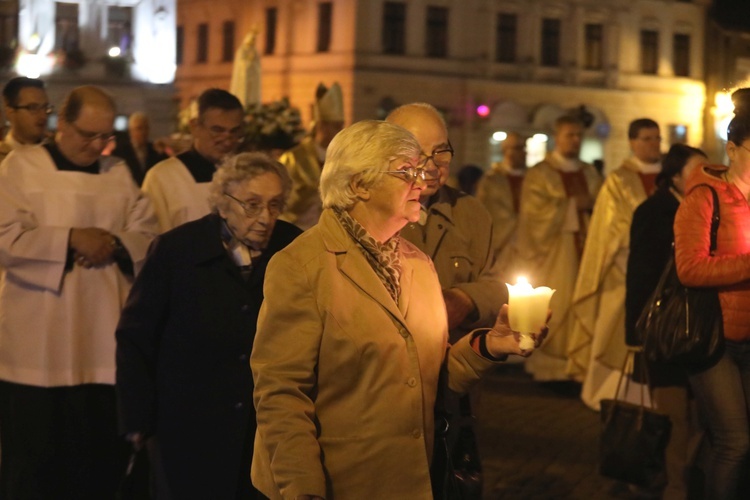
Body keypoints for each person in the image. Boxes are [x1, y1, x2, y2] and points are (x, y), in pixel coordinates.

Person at [250, 120, 547, 499]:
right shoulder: (302, 265)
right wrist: (303, 488)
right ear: (359, 185)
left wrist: (489, 346)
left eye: (419, 170)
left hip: (411, 479)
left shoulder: (417, 263)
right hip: (339, 480)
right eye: (405, 171)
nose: (421, 182)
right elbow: (281, 393)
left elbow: (430, 378)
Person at [0, 85, 157, 498]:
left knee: (96, 466)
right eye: (88, 135)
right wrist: (71, 238)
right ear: (62, 124)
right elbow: (5, 237)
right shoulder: (21, 166)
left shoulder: (118, 173)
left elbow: (149, 235)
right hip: (38, 346)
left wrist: (117, 244)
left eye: (105, 136)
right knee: (35, 468)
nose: (97, 146)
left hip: (102, 344)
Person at [116, 152, 301, 499]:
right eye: (252, 204)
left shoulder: (293, 247)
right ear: (223, 202)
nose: (266, 218)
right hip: (188, 426)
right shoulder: (176, 250)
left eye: (275, 205)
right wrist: (138, 418)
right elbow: (136, 335)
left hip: (262, 430)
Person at [674, 87, 750, 500]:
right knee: (734, 442)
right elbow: (690, 268)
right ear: (732, 149)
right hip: (713, 338)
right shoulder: (704, 197)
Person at [626, 143, 707, 499]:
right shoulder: (653, 211)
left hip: (700, 329)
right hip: (665, 330)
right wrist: (636, 334)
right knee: (673, 416)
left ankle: (686, 481)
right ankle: (674, 488)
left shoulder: (704, 209)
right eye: (698, 171)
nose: (707, 177)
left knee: (698, 416)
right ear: (675, 177)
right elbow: (640, 275)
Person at [567, 118, 663, 409]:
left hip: (662, 271)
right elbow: (610, 230)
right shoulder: (618, 180)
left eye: (657, 138)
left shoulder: (667, 178)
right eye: (646, 139)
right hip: (622, 271)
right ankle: (607, 393)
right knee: (614, 331)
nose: (653, 144)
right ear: (632, 142)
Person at [514, 115, 602, 381]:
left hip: (588, 249)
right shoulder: (541, 173)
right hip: (556, 253)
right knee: (559, 305)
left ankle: (581, 366)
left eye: (578, 135)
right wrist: (574, 204)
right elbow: (534, 214)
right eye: (569, 135)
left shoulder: (589, 172)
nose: (575, 140)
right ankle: (552, 371)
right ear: (557, 137)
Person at [143, 88, 244, 232]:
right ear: (195, 127)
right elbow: (151, 237)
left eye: (234, 131)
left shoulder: (246, 174)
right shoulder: (162, 177)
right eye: (217, 130)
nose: (227, 141)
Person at [278, 82, 344, 230]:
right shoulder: (293, 158)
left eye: (341, 125)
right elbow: (282, 198)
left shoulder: (344, 158)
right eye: (336, 125)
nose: (341, 130)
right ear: (322, 126)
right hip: (296, 229)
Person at [476, 132, 528, 279]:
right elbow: (483, 213)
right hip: (502, 246)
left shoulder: (533, 178)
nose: (520, 152)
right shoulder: (491, 181)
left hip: (528, 246)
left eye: (521, 148)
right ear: (505, 150)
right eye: (515, 148)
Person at [0, 76, 51, 161]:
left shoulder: (57, 156)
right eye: (33, 108)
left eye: (45, 108)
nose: (43, 115)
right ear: (10, 111)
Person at [111, 111, 168, 186]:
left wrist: (163, 152)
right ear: (131, 131)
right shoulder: (119, 152)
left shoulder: (155, 150)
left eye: (146, 128)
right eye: (139, 128)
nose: (143, 132)